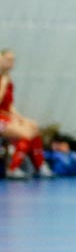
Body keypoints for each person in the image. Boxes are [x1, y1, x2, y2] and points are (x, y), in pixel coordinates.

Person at [1, 49, 47, 180]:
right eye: (7, 60)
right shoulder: (3, 80)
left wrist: (20, 119)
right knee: (27, 134)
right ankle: (13, 168)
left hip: (4, 116)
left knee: (33, 127)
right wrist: (3, 85)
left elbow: (8, 105)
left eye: (13, 60)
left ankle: (40, 166)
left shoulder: (7, 78)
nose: (11, 63)